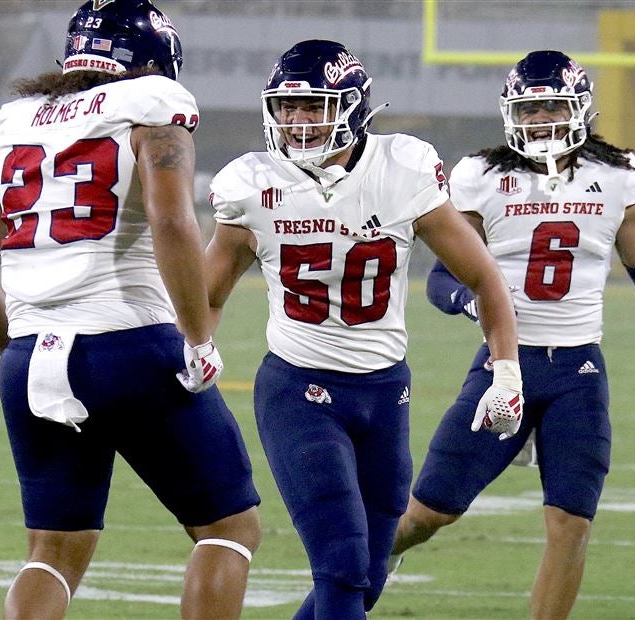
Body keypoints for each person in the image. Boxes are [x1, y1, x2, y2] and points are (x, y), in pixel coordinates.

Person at [0, 2, 260, 618]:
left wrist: (21, 349)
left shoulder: (18, 120)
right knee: (229, 528)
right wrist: (198, 337)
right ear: (153, 64)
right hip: (131, 342)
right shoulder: (151, 107)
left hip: (33, 355)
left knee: (53, 552)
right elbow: (172, 220)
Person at [204, 39, 525, 619]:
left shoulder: (400, 170)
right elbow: (206, 295)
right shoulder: (250, 183)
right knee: (344, 569)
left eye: (315, 107)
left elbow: (484, 278)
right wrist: (191, 348)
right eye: (287, 107)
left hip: (384, 392)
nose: (298, 121)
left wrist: (506, 373)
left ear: (352, 106)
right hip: (298, 390)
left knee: (366, 580)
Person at [386, 50, 635, 619]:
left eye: (553, 106)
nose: (541, 121)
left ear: (580, 109)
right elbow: (439, 280)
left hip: (578, 372)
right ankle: (367, 562)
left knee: (571, 523)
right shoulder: (482, 177)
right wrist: (469, 303)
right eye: (529, 110)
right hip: (505, 366)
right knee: (429, 513)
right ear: (510, 115)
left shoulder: (618, 175)